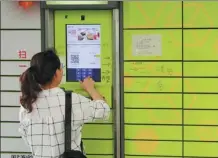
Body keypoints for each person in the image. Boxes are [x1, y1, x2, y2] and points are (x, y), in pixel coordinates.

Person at [18, 49, 110, 158]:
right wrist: (90, 88)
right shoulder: (72, 100)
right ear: (57, 73)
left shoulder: (27, 105)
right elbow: (103, 110)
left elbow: (27, 138)